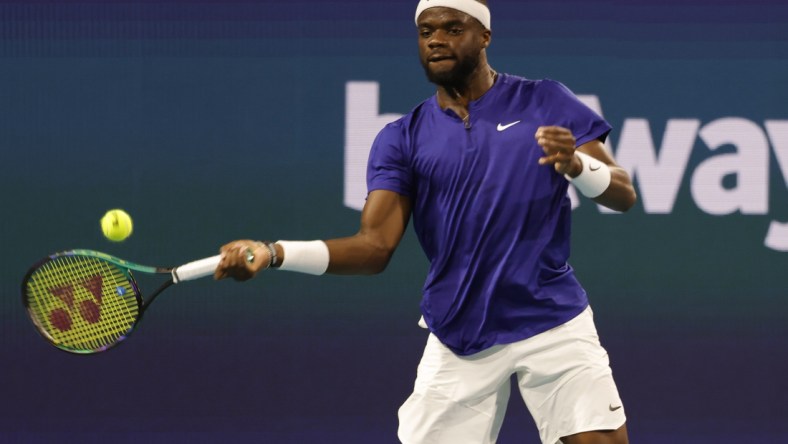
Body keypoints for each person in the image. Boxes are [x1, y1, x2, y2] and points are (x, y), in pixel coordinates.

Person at [214, 0, 636, 442]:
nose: (436, 39)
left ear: (485, 37)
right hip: (458, 328)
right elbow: (373, 248)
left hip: (551, 316)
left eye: (453, 29)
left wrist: (577, 167)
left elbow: (622, 195)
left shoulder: (544, 99)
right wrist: (274, 252)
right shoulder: (402, 138)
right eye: (426, 31)